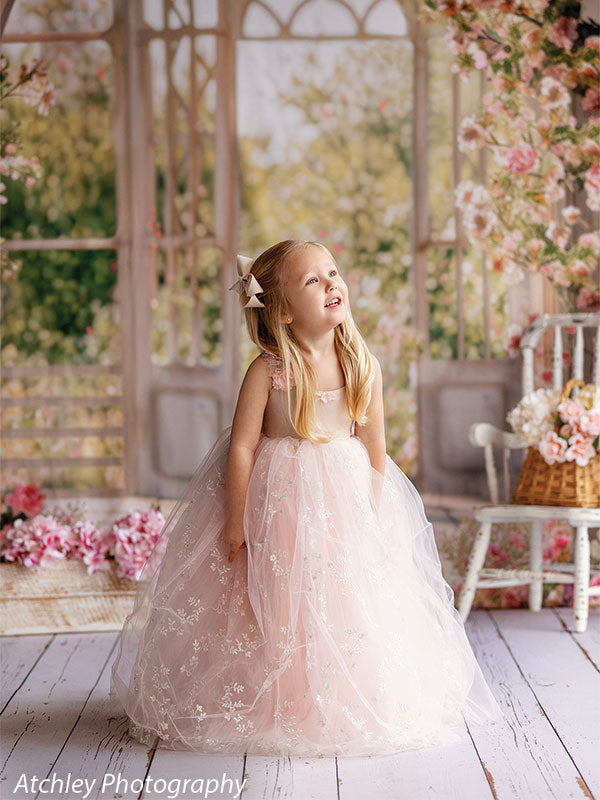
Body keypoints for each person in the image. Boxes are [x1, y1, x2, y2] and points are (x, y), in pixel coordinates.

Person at [109, 239, 504, 757]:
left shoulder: (361, 364)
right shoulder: (268, 370)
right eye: (312, 281)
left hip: (340, 501)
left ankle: (335, 695)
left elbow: (374, 448)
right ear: (284, 312)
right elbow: (244, 446)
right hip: (277, 501)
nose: (331, 284)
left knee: (339, 597)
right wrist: (236, 520)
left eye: (333, 272)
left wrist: (374, 509)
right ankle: (275, 694)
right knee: (274, 593)